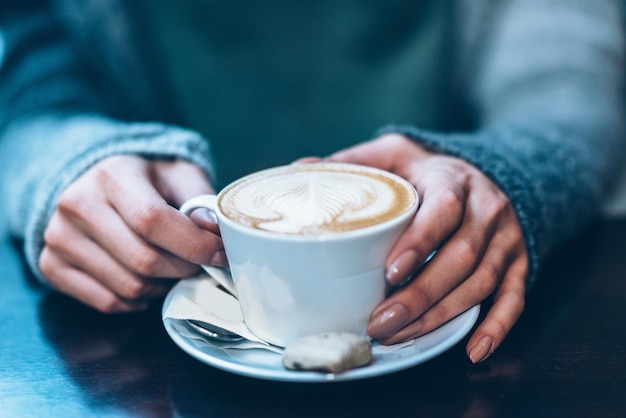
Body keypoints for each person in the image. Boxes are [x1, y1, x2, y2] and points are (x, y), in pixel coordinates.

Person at [0, 0, 623, 364]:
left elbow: (568, 89)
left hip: (441, 326)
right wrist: (67, 161)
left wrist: (504, 172)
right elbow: (31, 76)